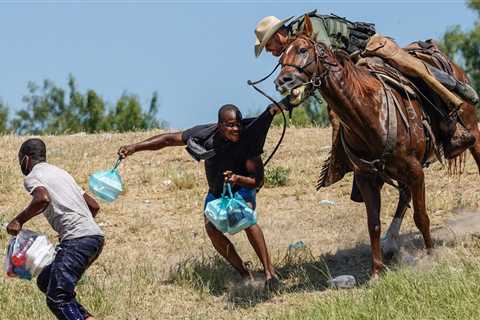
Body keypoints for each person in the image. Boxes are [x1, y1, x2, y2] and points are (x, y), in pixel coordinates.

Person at [254, 11, 478, 159]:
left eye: (268, 44)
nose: (269, 51)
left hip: (367, 50)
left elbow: (325, 62)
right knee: (338, 113)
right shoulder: (293, 52)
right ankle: (349, 161)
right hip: (350, 69)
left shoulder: (308, 28)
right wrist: (288, 100)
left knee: (411, 72)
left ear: (279, 34)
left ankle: (452, 113)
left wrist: (297, 94)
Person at [118, 104, 280, 289]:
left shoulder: (248, 141)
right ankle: (244, 274)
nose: (236, 129)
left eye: (238, 125)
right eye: (230, 125)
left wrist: (237, 179)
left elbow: (257, 181)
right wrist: (135, 147)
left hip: (242, 186)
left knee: (246, 218)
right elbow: (169, 140)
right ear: (220, 125)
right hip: (216, 192)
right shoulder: (204, 134)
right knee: (211, 229)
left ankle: (269, 273)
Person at [7, 138, 104, 320]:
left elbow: (42, 199)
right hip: (95, 238)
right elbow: (94, 206)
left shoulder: (33, 176)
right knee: (46, 280)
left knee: (57, 298)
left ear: (25, 159)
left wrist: (18, 221)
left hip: (78, 240)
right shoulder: (62, 173)